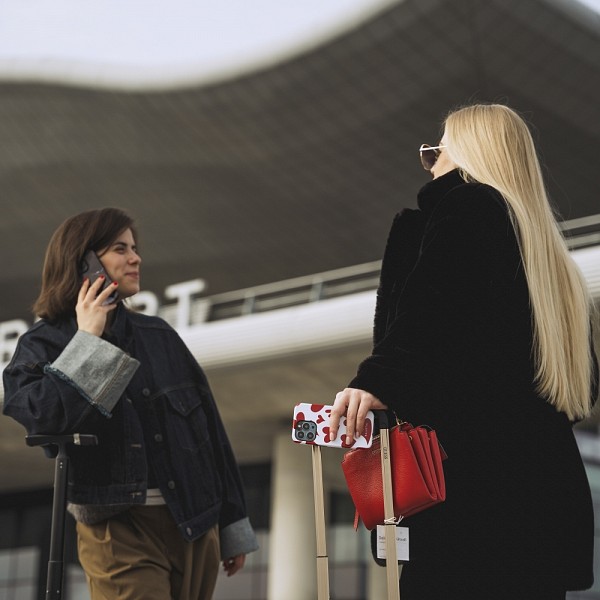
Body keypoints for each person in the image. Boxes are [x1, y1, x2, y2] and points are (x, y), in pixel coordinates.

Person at [329, 104, 599, 599]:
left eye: (436, 151)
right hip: (544, 504)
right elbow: (582, 390)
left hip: (468, 497)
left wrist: (377, 378)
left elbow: (432, 310)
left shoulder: (467, 207)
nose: (431, 165)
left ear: (467, 154)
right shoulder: (553, 262)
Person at [3, 208, 258, 600]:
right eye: (120, 249)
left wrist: (231, 523)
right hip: (117, 530)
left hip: (195, 522)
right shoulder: (42, 345)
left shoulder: (160, 336)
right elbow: (45, 419)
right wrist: (88, 341)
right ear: (83, 261)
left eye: (135, 248)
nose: (136, 258)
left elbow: (210, 432)